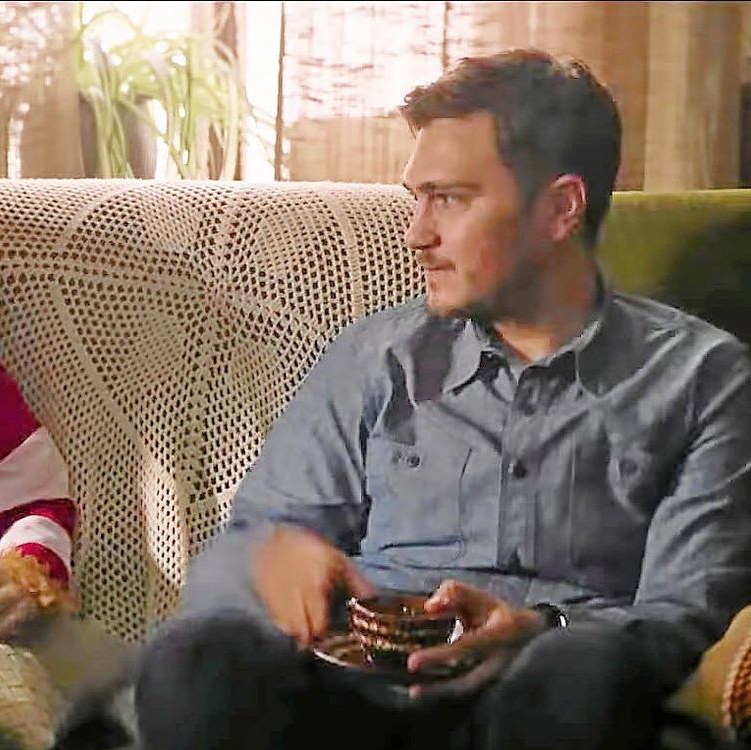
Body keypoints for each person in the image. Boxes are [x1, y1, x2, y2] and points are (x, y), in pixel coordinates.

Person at [134, 48, 751, 750]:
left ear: (561, 208)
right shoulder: (377, 358)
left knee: (583, 674)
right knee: (194, 662)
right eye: (417, 199)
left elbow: (688, 613)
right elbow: (239, 557)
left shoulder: (704, 379)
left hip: (547, 693)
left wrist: (542, 628)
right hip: (357, 695)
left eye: (450, 199)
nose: (417, 235)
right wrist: (275, 563)